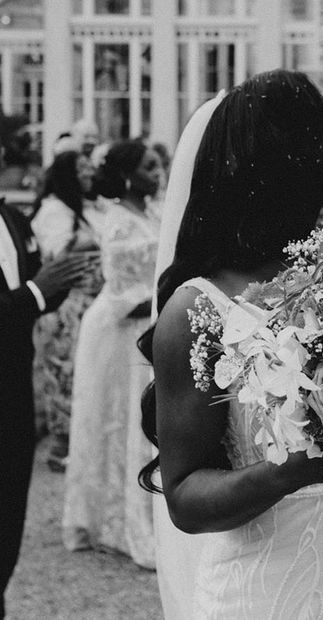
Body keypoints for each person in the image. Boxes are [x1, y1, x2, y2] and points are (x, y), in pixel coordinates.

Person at [141, 71, 323, 619]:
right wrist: (287, 471)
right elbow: (184, 497)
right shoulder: (200, 308)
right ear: (288, 155)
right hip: (266, 593)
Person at [61, 140, 163, 567]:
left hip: (145, 325)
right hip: (120, 327)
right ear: (127, 174)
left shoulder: (153, 213)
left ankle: (142, 518)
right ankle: (112, 522)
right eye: (150, 166)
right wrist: (167, 304)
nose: (158, 173)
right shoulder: (118, 221)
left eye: (159, 165)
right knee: (115, 418)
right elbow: (122, 291)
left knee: (138, 420)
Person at [0, 199, 89, 619]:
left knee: (9, 508)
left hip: (15, 391)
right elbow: (29, 294)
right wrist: (37, 292)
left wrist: (62, 277)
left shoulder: (13, 217)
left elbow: (34, 286)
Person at [30, 150, 104, 470]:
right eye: (82, 169)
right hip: (63, 308)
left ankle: (78, 445)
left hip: (85, 306)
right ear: (67, 175)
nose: (89, 173)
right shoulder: (53, 211)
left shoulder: (84, 208)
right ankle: (60, 449)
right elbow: (57, 256)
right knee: (63, 376)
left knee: (81, 375)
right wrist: (87, 242)